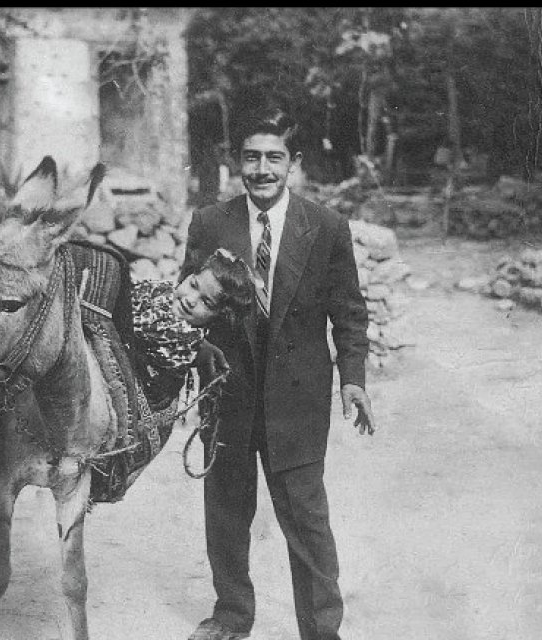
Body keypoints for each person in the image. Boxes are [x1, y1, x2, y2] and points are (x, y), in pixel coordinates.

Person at [180, 105, 376, 640]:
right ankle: (231, 617)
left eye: (274, 158)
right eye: (251, 157)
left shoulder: (327, 226)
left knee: (307, 520)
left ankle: (321, 629)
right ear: (235, 163)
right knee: (225, 512)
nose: (262, 169)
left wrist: (353, 378)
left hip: (298, 399)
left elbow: (349, 311)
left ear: (293, 163)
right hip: (229, 393)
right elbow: (187, 302)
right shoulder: (209, 222)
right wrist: (197, 352)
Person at [129, 247, 257, 404]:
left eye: (206, 302)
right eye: (193, 285)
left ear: (217, 316)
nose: (191, 300)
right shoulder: (159, 291)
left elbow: (138, 331)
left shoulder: (185, 340)